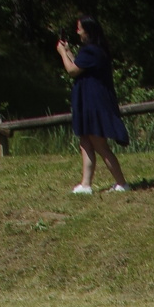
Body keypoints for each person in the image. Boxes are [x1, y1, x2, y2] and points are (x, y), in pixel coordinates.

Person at [55, 14, 129, 195]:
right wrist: (69, 51)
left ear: (87, 31)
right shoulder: (93, 50)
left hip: (93, 102)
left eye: (79, 28)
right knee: (85, 142)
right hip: (88, 101)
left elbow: (72, 70)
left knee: (100, 144)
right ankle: (85, 184)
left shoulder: (92, 51)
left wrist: (62, 52)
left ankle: (121, 183)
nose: (77, 31)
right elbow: (79, 65)